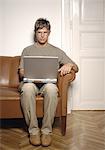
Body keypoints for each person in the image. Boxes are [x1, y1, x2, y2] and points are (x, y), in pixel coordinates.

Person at [18, 18, 78, 147]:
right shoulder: (27, 50)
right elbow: (21, 71)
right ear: (35, 33)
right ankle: (33, 131)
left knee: (52, 89)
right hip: (31, 83)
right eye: (39, 32)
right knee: (27, 88)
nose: (42, 35)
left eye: (45, 32)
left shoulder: (56, 51)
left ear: (49, 33)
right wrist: (27, 72)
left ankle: (46, 131)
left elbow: (76, 67)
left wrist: (69, 65)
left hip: (47, 84)